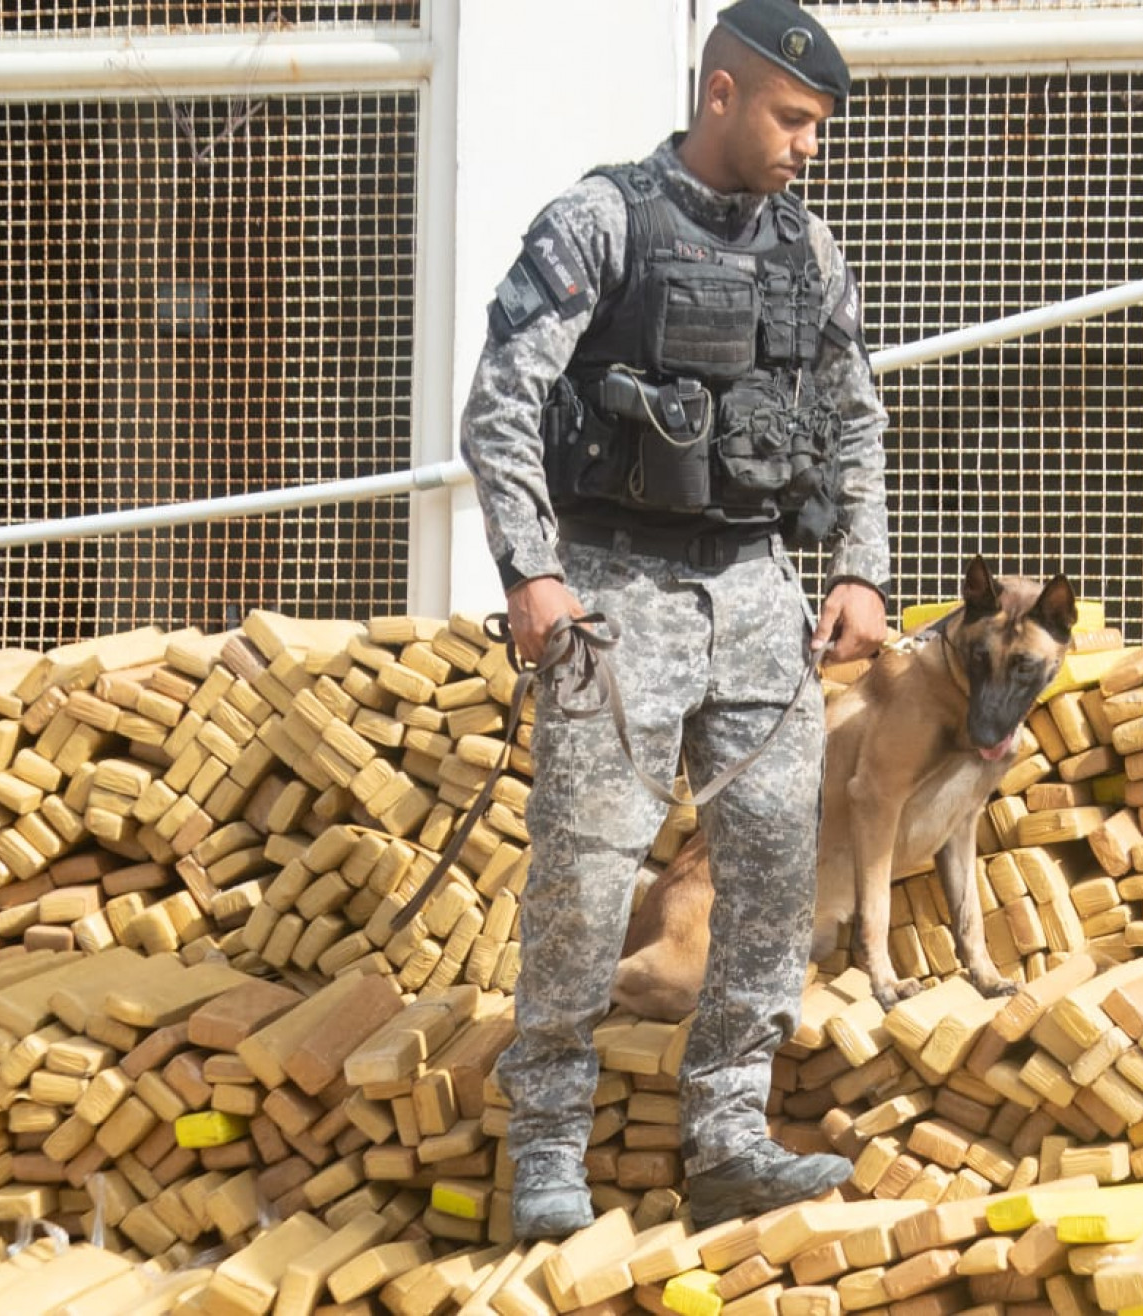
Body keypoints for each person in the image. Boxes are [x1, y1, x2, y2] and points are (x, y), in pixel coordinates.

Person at [458, 0, 891, 1239]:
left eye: (818, 125)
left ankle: (729, 1134)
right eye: (793, 119)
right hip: (614, 588)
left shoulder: (808, 251)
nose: (809, 145)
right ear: (721, 94)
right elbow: (503, 401)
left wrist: (861, 571)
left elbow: (854, 414)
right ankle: (548, 1147)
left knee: (772, 869)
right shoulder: (601, 222)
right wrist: (531, 573)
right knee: (585, 876)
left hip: (759, 589)